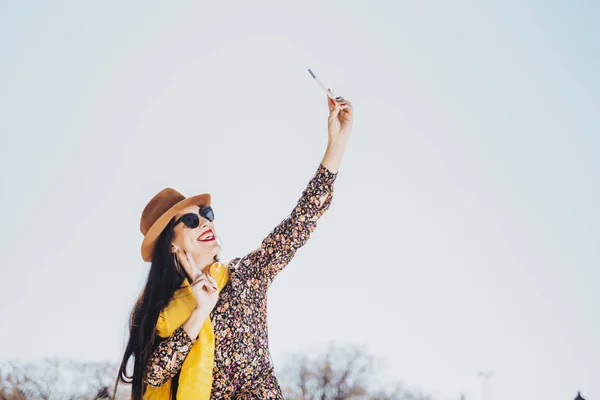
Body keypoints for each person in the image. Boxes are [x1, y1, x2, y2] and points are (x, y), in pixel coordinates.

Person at [115, 91, 353, 400]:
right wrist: (200, 311)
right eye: (189, 221)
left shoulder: (247, 274)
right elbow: (155, 373)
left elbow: (301, 221)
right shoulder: (160, 312)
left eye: (206, 214)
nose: (205, 222)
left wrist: (337, 143)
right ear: (170, 245)